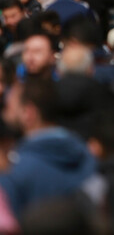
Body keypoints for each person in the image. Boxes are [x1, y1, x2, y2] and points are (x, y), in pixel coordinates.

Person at [0, 78, 99, 218]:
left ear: (28, 113)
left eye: (8, 106)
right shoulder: (88, 154)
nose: (4, 113)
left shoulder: (14, 171)